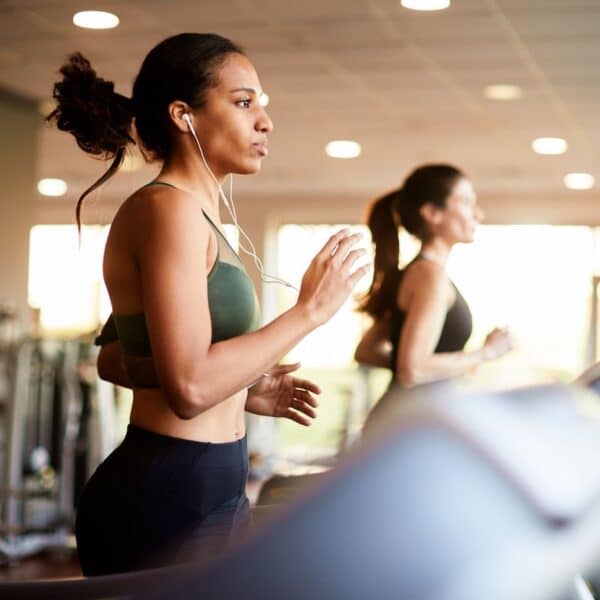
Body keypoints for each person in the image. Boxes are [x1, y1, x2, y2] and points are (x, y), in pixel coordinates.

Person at [49, 33, 368, 576]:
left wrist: (240, 387)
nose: (265, 121)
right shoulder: (165, 211)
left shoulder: (200, 219)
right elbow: (190, 387)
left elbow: (115, 359)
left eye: (262, 104)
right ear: (184, 115)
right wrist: (309, 313)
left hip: (213, 480)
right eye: (244, 102)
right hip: (169, 488)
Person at [355, 164, 511, 390]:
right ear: (432, 213)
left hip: (409, 409)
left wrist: (421, 366)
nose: (478, 214)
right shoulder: (429, 275)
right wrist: (487, 353)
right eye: (467, 202)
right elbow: (413, 370)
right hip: (410, 417)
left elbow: (367, 351)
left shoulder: (418, 272)